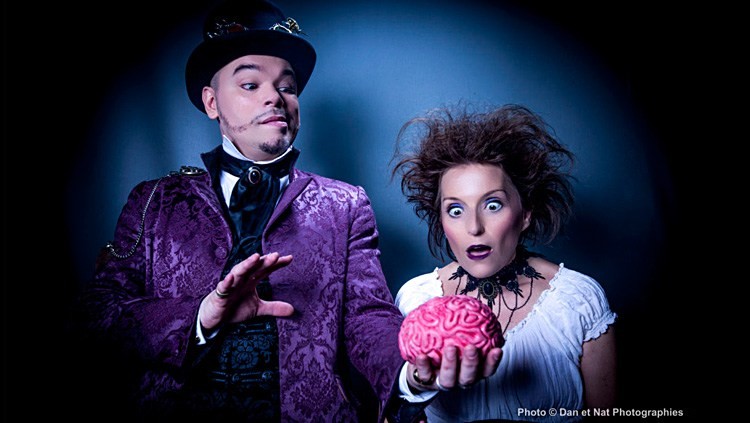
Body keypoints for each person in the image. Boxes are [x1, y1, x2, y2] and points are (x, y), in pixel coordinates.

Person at [75, 1, 500, 421]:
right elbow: (97, 317)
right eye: (250, 84)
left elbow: (367, 317)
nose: (274, 97)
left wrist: (413, 375)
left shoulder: (345, 205)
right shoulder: (154, 201)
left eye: (287, 86)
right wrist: (202, 315)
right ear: (211, 102)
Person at [391, 104, 618, 422]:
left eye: (493, 205)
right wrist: (416, 385)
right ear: (440, 219)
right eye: (455, 210)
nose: (474, 227)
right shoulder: (416, 300)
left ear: (525, 214)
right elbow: (389, 415)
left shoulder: (577, 299)